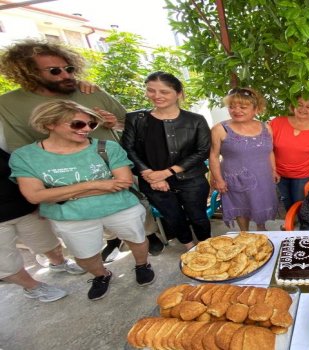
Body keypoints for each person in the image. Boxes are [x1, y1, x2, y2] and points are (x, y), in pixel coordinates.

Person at [0, 38, 163, 257]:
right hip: (60, 172)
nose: (66, 75)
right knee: (86, 218)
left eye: (69, 69)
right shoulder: (10, 103)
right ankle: (112, 240)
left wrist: (112, 121)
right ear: (29, 72)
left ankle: (148, 236)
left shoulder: (89, 91)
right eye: (55, 71)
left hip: (109, 162)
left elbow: (127, 122)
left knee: (131, 208)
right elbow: (18, 147)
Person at [9, 100, 155, 300]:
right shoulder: (26, 156)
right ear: (50, 123)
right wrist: (97, 185)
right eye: (78, 124)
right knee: (85, 256)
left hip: (120, 207)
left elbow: (123, 182)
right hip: (72, 218)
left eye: (91, 124)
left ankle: (142, 265)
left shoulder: (106, 147)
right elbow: (34, 196)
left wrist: (61, 193)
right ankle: (102, 275)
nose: (87, 129)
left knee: (137, 239)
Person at [122, 72, 211, 250]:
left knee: (198, 216)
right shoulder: (135, 119)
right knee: (173, 217)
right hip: (151, 181)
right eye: (151, 90)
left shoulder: (195, 120)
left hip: (191, 179)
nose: (157, 96)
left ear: (178, 93)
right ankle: (189, 247)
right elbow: (127, 149)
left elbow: (203, 151)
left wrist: (167, 172)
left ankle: (207, 246)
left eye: (164, 92)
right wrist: (149, 175)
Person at [1, 148, 83, 303]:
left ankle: (59, 264)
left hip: (24, 208)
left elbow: (17, 170)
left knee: (49, 243)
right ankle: (32, 287)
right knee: (6, 262)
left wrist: (39, 200)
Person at [209, 88, 279, 231]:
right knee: (240, 206)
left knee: (261, 202)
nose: (236, 110)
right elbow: (214, 156)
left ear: (256, 108)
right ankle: (244, 233)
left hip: (263, 176)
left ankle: (261, 228)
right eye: (232, 107)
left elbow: (269, 151)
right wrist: (218, 179)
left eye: (243, 107)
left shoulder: (266, 127)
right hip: (235, 177)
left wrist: (274, 170)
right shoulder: (220, 129)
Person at [271, 93, 309, 211]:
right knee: (285, 202)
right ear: (293, 106)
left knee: (301, 204)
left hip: (303, 175)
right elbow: (266, 149)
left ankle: (301, 226)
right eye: (300, 105)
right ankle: (291, 223)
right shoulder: (277, 122)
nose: (303, 109)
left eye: (308, 107)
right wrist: (271, 170)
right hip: (278, 174)